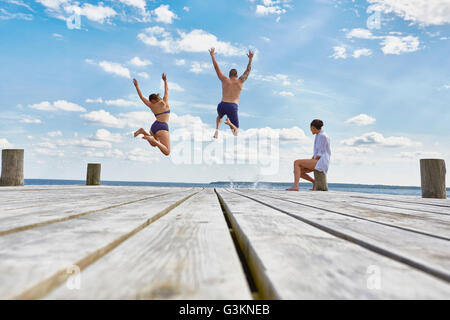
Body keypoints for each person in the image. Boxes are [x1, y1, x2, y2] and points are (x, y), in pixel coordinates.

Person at [209, 47, 254, 138]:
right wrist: (250, 59)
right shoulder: (240, 81)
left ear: (229, 75)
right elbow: (248, 70)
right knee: (235, 132)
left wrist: (212, 56)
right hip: (232, 106)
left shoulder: (224, 80)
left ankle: (217, 130)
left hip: (222, 104)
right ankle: (229, 123)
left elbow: (216, 68)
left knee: (219, 117)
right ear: (237, 75)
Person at [286, 119, 331, 191]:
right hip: (318, 160)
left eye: (310, 128)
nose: (310, 130)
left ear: (313, 127)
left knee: (296, 162)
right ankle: (314, 182)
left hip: (321, 162)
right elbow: (316, 153)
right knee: (298, 170)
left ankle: (295, 186)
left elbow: (320, 153)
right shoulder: (318, 135)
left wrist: (312, 161)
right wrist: (311, 160)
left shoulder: (323, 136)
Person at [133, 73, 171, 156]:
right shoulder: (164, 102)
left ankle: (143, 131)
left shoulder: (150, 105)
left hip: (154, 126)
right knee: (167, 151)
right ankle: (153, 139)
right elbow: (166, 90)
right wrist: (165, 81)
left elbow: (142, 97)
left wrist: (137, 86)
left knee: (154, 144)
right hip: (162, 127)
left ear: (151, 100)